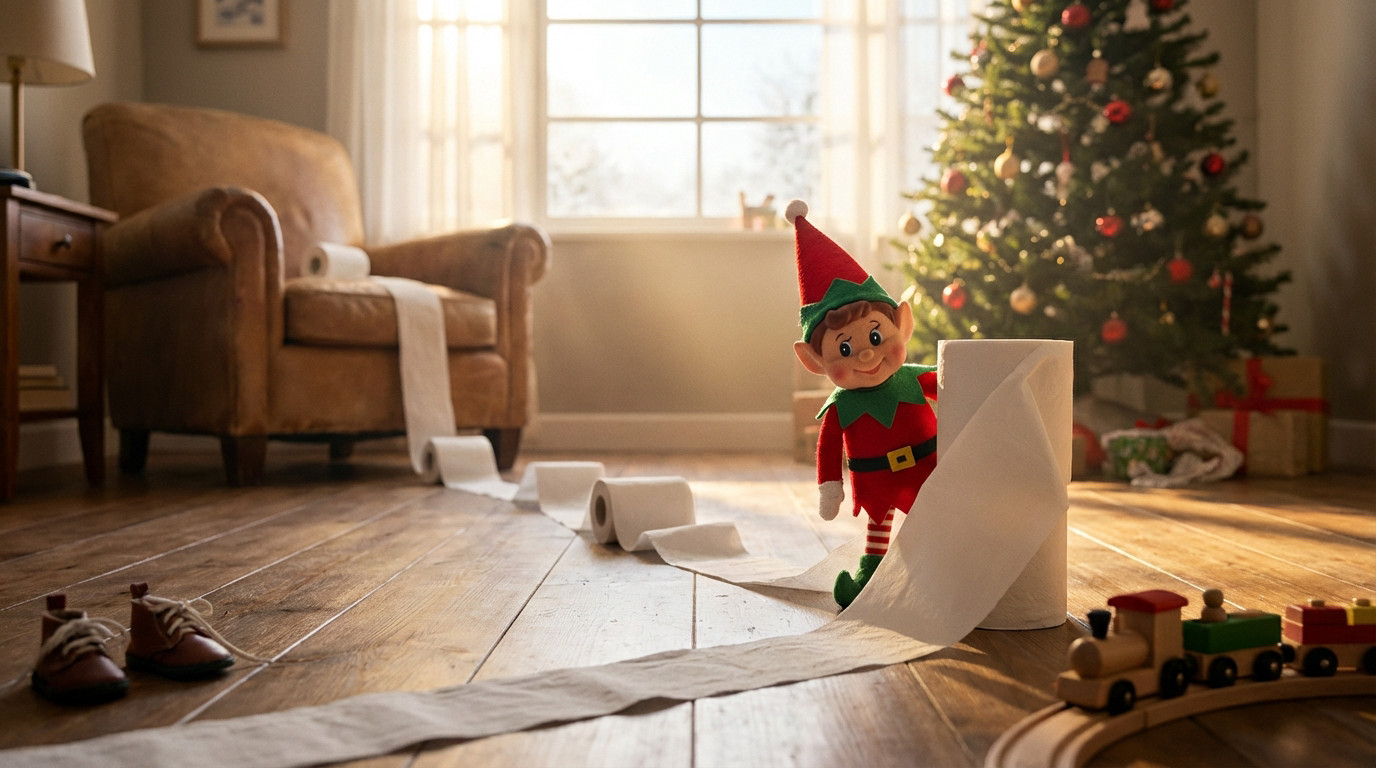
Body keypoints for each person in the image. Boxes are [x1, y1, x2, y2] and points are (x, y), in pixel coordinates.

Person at [787, 200, 939, 608]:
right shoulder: (840, 407)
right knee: (878, 530)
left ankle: (936, 574)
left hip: (931, 468)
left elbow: (964, 385)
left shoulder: (915, 378)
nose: (867, 356)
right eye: (846, 349)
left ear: (901, 326)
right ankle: (870, 583)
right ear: (815, 361)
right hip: (875, 482)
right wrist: (830, 489)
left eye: (875, 338)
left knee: (938, 523)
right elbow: (829, 449)